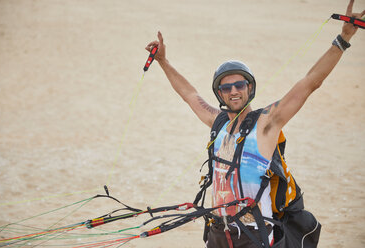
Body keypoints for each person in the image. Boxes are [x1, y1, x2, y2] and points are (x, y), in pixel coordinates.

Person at [145, 1, 364, 247]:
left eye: (240, 85)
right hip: (218, 232)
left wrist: (343, 39)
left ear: (250, 88)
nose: (234, 91)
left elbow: (310, 82)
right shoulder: (217, 122)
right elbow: (189, 94)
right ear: (220, 94)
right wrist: (163, 61)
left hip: (254, 235)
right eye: (226, 88)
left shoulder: (266, 124)